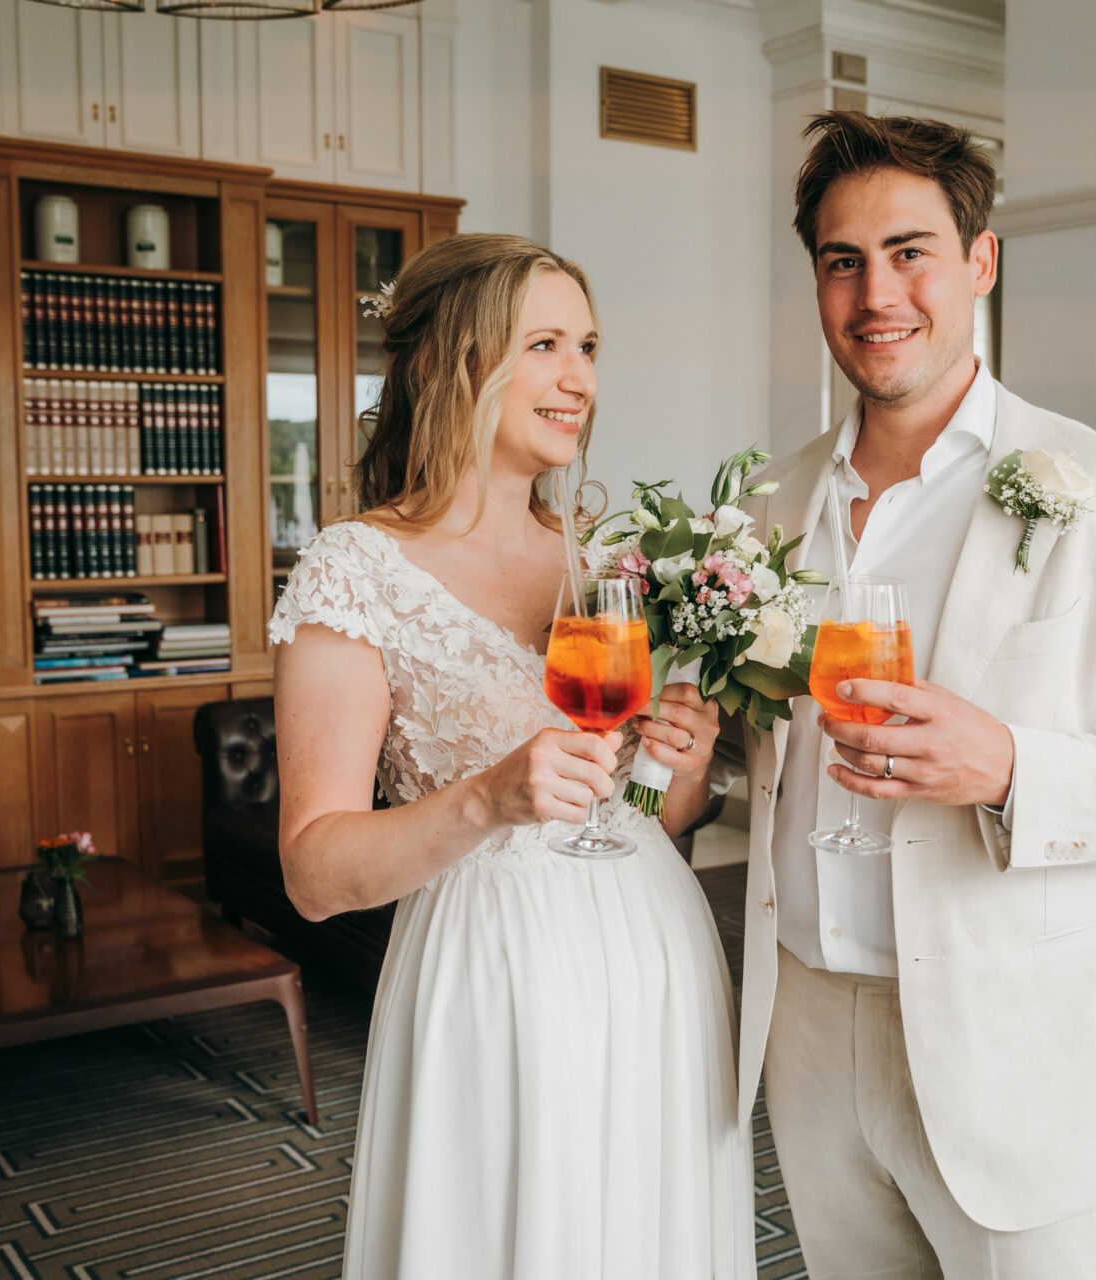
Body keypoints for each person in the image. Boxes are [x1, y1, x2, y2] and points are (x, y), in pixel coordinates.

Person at [735, 113, 1096, 1278]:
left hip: (1021, 1039)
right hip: (806, 1026)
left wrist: (1013, 766)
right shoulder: (770, 503)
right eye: (842, 260)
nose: (877, 293)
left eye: (910, 251)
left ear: (981, 261)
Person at [268, 233, 754, 1279]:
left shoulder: (605, 555)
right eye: (544, 344)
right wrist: (485, 800)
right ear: (449, 362)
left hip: (659, 961)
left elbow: (648, 817)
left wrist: (681, 764)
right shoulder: (356, 570)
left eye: (588, 346)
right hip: (495, 975)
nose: (580, 377)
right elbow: (311, 871)